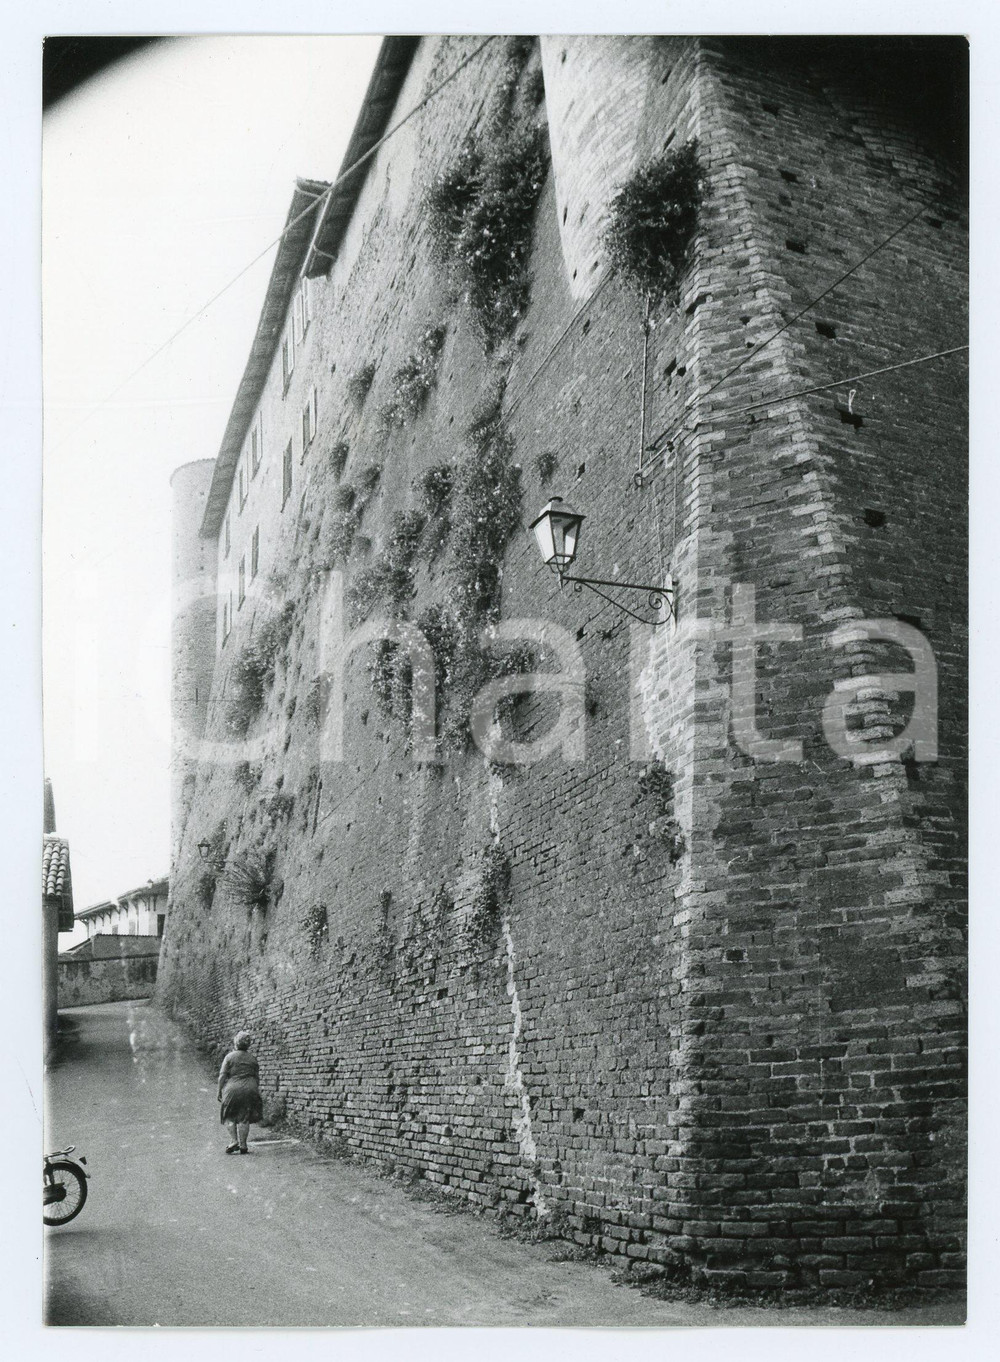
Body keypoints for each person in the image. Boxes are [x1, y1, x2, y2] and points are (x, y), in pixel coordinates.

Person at [217, 1030, 264, 1154]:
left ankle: (234, 1141)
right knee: (244, 1117)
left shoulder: (229, 1057)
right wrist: (255, 1090)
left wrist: (219, 1090)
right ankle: (243, 1145)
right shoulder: (253, 1059)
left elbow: (222, 1076)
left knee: (229, 1116)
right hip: (250, 1088)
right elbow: (256, 1077)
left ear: (236, 1042)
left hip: (232, 1089)